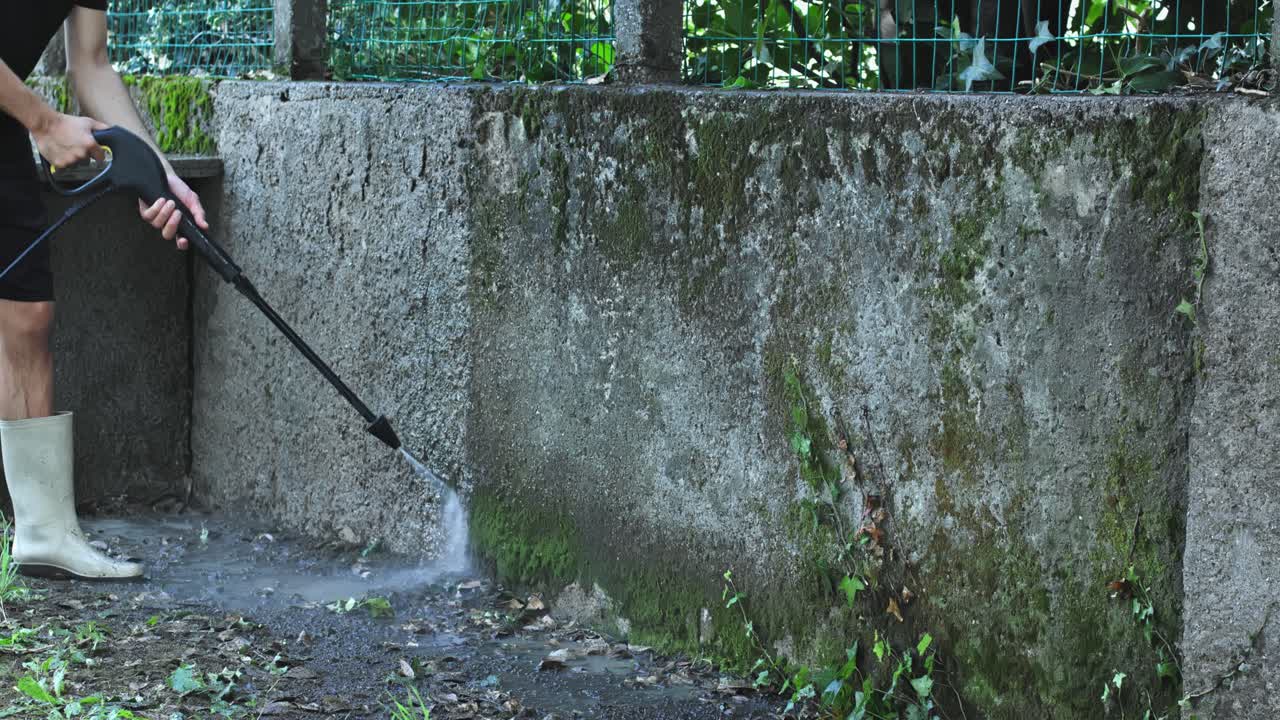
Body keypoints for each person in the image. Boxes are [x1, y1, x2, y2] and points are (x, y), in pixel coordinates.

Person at [0, 2, 208, 580]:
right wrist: (43, 122)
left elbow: (90, 65)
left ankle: (43, 533)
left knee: (26, 313)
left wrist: (154, 172)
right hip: (20, 115)